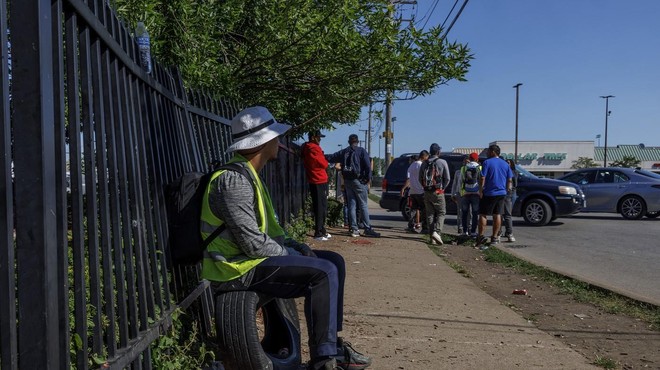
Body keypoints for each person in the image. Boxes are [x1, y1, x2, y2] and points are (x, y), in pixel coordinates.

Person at [201, 106, 372, 370]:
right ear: (265, 141)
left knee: (333, 260)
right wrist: (292, 255)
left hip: (251, 261)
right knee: (323, 272)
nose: (280, 143)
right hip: (236, 268)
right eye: (276, 137)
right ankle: (324, 360)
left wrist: (298, 247)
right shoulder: (233, 181)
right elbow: (253, 244)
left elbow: (273, 232)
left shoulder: (250, 175)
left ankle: (333, 346)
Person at [326, 134, 380, 238]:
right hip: (358, 180)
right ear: (357, 141)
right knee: (363, 204)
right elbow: (368, 166)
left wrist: (321, 155)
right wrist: (368, 179)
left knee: (351, 204)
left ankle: (354, 229)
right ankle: (367, 228)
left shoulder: (344, 151)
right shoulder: (361, 151)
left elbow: (332, 157)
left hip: (347, 180)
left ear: (348, 141)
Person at [475, 144, 514, 249]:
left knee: (483, 214)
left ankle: (481, 236)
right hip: (501, 193)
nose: (487, 153)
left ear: (493, 152)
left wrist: (480, 190)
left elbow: (482, 177)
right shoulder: (505, 164)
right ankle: (494, 237)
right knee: (497, 214)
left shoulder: (487, 162)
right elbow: (509, 179)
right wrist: (505, 189)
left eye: (488, 151)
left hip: (488, 192)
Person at [302, 130, 331, 241]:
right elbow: (324, 163)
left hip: (314, 179)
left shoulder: (306, 148)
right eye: (319, 137)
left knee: (321, 206)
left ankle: (322, 230)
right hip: (318, 179)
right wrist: (323, 158)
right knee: (320, 207)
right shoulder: (314, 148)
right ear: (313, 137)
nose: (320, 139)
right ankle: (318, 232)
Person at [418, 143, 450, 245]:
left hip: (427, 192)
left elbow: (420, 178)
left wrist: (425, 188)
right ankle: (437, 232)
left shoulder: (424, 163)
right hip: (438, 191)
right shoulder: (442, 162)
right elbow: (447, 178)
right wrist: (442, 188)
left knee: (430, 214)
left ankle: (432, 236)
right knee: (441, 212)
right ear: (438, 152)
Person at [401, 151, 428, 233]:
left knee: (413, 209)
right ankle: (424, 228)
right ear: (424, 156)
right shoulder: (422, 165)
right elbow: (425, 178)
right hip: (421, 191)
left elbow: (408, 179)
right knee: (424, 209)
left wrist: (403, 188)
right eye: (427, 157)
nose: (427, 159)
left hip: (412, 191)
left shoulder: (411, 166)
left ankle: (411, 226)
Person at [457, 153, 482, 237]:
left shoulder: (464, 168)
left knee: (464, 213)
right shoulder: (480, 168)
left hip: (465, 193)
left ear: (469, 159)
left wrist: (460, 192)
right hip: (476, 193)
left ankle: (464, 231)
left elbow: (460, 181)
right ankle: (474, 232)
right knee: (475, 213)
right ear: (477, 159)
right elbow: (482, 180)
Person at [500, 158, 517, 242]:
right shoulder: (505, 171)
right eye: (506, 163)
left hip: (508, 193)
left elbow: (513, 183)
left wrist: (508, 189)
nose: (507, 164)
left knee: (506, 214)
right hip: (505, 192)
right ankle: (501, 232)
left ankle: (509, 233)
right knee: (502, 214)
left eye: (509, 163)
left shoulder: (512, 172)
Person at [450, 157, 467, 234]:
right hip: (460, 193)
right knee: (460, 211)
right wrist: (453, 194)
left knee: (469, 212)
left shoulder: (472, 172)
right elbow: (455, 184)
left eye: (467, 162)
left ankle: (468, 227)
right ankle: (460, 227)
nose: (465, 163)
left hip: (468, 194)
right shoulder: (458, 172)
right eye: (464, 162)